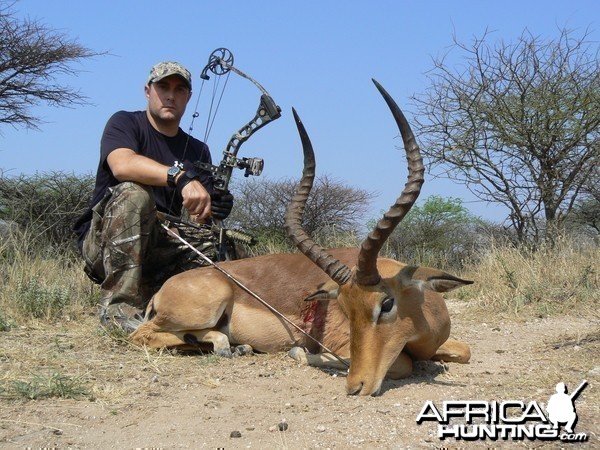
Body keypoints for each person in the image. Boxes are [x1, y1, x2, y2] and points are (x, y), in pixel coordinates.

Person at [74, 61, 233, 332]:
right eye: (163, 87)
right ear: (148, 91)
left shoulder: (198, 149)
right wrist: (181, 178)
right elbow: (122, 165)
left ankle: (205, 314)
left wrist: (215, 205)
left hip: (159, 243)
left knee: (223, 245)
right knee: (134, 194)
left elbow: (199, 216)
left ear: (188, 97)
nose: (171, 95)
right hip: (104, 246)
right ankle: (118, 311)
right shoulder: (125, 122)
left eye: (179, 89)